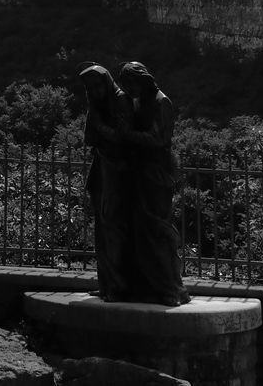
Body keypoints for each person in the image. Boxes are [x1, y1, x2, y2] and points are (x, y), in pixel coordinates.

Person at [79, 60, 189, 306]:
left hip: (156, 174)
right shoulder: (138, 101)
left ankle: (172, 288)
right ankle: (147, 286)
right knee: (141, 232)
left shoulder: (162, 102)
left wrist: (125, 135)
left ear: (144, 79)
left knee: (157, 230)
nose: (129, 89)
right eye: (126, 84)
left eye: (132, 83)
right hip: (140, 172)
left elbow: (159, 139)